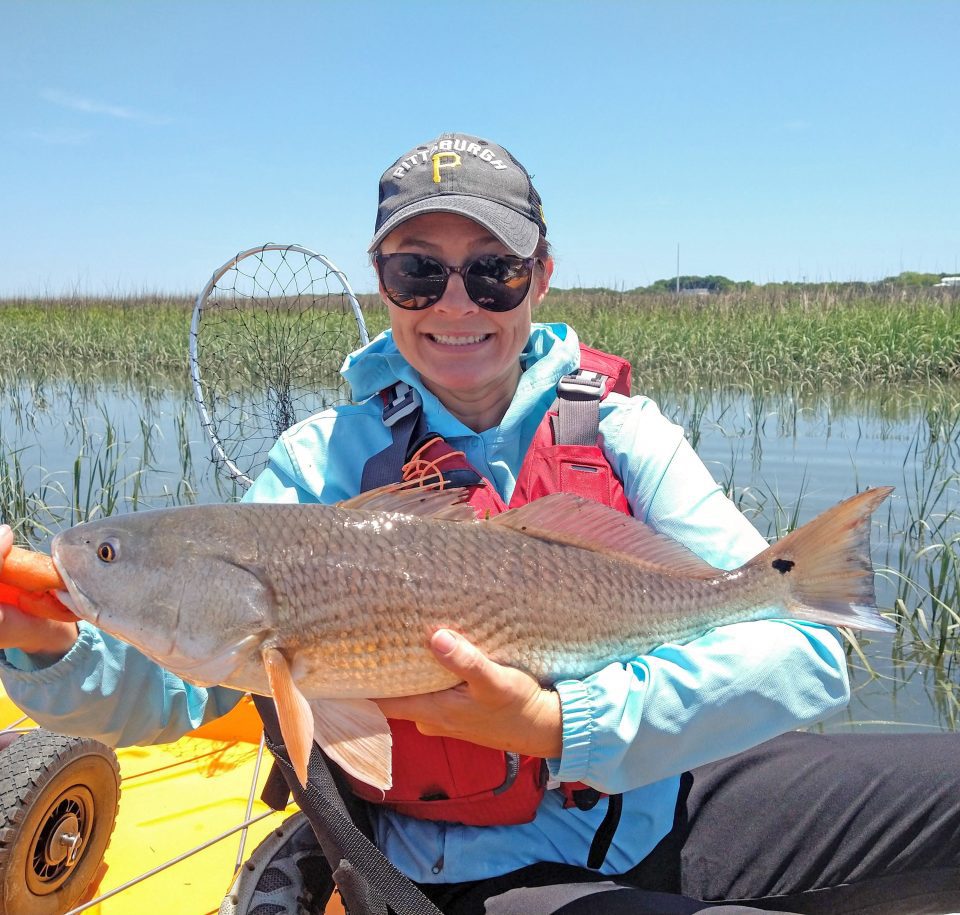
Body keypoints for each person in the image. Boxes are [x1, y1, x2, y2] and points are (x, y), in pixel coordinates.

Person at [2, 132, 959, 915]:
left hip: (664, 800)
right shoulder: (313, 464)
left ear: (539, 277)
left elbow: (804, 647)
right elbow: (178, 690)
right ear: (382, 280)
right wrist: (51, 650)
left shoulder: (623, 431)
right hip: (463, 867)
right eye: (419, 271)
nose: (456, 303)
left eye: (492, 272)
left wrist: (557, 724)